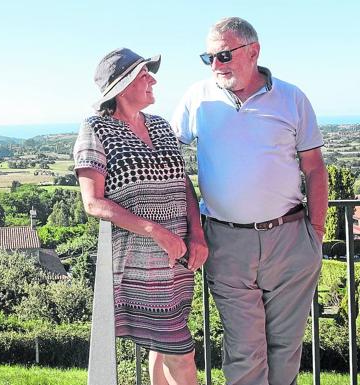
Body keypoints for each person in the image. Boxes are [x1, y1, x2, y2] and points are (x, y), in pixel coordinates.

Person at [171, 17, 328, 385]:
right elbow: (169, 161)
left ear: (253, 51)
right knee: (244, 351)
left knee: (285, 349)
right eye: (208, 57)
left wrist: (315, 234)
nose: (215, 65)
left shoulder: (292, 98)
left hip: (290, 240)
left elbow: (315, 168)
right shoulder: (197, 97)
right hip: (227, 243)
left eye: (223, 55)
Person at [74, 47, 208, 385]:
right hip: (142, 265)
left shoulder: (161, 126)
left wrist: (197, 234)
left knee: (161, 348)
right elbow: (93, 203)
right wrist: (155, 231)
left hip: (178, 258)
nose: (153, 79)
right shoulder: (96, 130)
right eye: (144, 73)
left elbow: (183, 184)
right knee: (182, 352)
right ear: (121, 86)